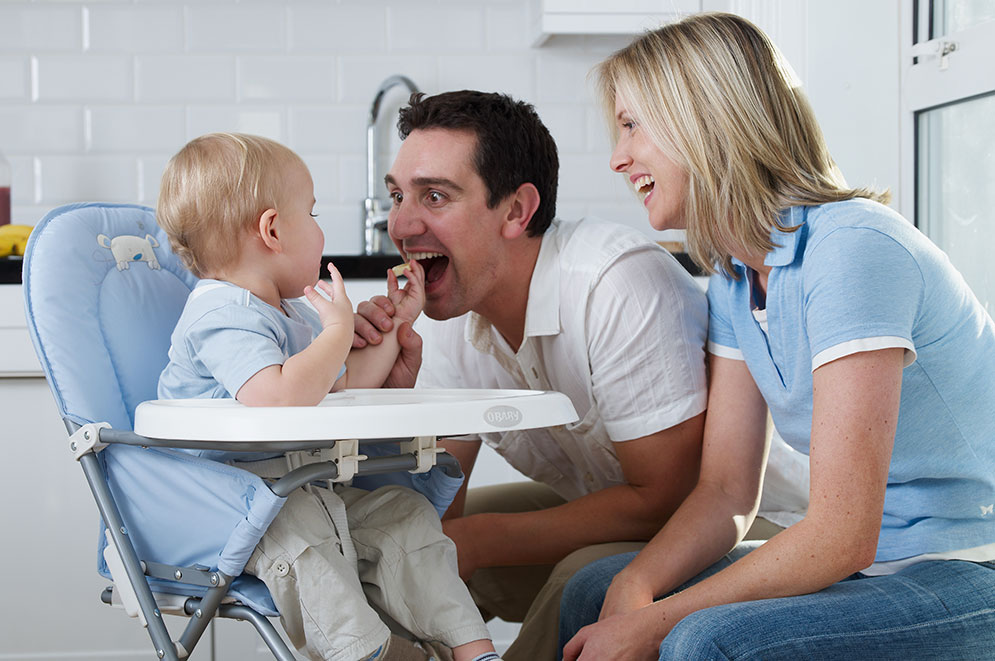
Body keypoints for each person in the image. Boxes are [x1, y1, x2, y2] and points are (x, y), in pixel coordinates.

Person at [558, 12, 995, 660]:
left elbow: (842, 535)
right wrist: (636, 584)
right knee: (594, 590)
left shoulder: (852, 249)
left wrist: (653, 623)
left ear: (703, 119)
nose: (618, 157)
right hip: (872, 566)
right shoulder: (737, 278)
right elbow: (726, 492)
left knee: (704, 641)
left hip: (968, 563)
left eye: (631, 125)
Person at [351, 90, 807, 661]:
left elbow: (664, 498)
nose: (399, 223)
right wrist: (374, 394)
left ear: (516, 210)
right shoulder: (451, 311)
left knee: (579, 577)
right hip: (608, 502)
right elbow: (442, 504)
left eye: (434, 196)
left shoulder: (615, 285)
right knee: (402, 547)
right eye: (397, 196)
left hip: (755, 525)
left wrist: (479, 541)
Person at [156, 132, 503, 661]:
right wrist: (338, 331)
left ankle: (472, 648)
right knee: (304, 538)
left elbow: (340, 386)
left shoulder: (289, 312)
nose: (321, 230)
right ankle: (373, 654)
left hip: (301, 491)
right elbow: (278, 399)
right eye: (313, 214)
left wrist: (394, 325)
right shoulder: (220, 313)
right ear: (273, 230)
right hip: (232, 510)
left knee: (403, 514)